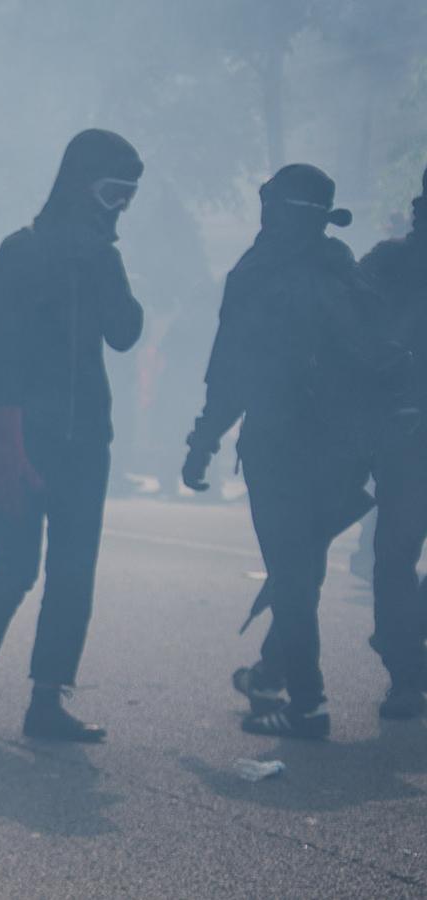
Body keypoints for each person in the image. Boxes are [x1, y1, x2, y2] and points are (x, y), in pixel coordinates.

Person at [0, 129, 145, 743]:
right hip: (21, 434)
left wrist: (107, 261)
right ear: (78, 183)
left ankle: (46, 700)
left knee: (74, 571)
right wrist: (7, 447)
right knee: (15, 565)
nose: (118, 207)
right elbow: (0, 356)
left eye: (128, 197)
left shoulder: (102, 256)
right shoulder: (20, 252)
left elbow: (125, 332)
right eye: (111, 192)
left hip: (85, 441)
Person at [183, 165, 384, 739]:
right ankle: (272, 673)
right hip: (345, 455)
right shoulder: (344, 268)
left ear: (278, 212)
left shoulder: (257, 273)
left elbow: (229, 372)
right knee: (303, 569)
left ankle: (309, 704)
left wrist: (203, 440)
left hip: (278, 447)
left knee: (293, 575)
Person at [350, 164, 427, 721]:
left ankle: (403, 661)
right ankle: (404, 667)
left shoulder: (385, 263)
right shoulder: (389, 265)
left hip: (401, 432)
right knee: (396, 557)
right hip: (405, 432)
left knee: (395, 558)